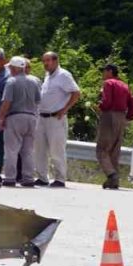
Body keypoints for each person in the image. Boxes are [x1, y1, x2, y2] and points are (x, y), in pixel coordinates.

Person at [31, 51, 81, 187]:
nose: (45, 64)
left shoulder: (63, 75)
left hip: (56, 118)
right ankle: (42, 177)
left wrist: (65, 109)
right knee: (39, 149)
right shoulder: (48, 76)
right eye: (44, 61)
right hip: (42, 117)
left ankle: (60, 178)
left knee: (56, 150)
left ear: (56, 61)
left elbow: (76, 93)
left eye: (48, 61)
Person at [0, 56, 41, 187]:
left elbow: (7, 102)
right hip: (31, 117)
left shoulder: (11, 82)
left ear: (15, 68)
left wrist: (1, 118)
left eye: (11, 67)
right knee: (28, 151)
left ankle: (10, 178)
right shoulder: (34, 81)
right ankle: (28, 178)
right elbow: (38, 100)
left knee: (11, 149)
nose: (9, 69)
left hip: (15, 117)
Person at [95, 63, 133, 190]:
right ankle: (114, 180)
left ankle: (111, 174)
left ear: (109, 71)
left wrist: (100, 106)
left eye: (104, 71)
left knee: (102, 149)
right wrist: (128, 117)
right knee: (114, 150)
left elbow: (106, 101)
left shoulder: (108, 83)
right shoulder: (125, 85)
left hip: (109, 115)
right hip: (121, 117)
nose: (103, 74)